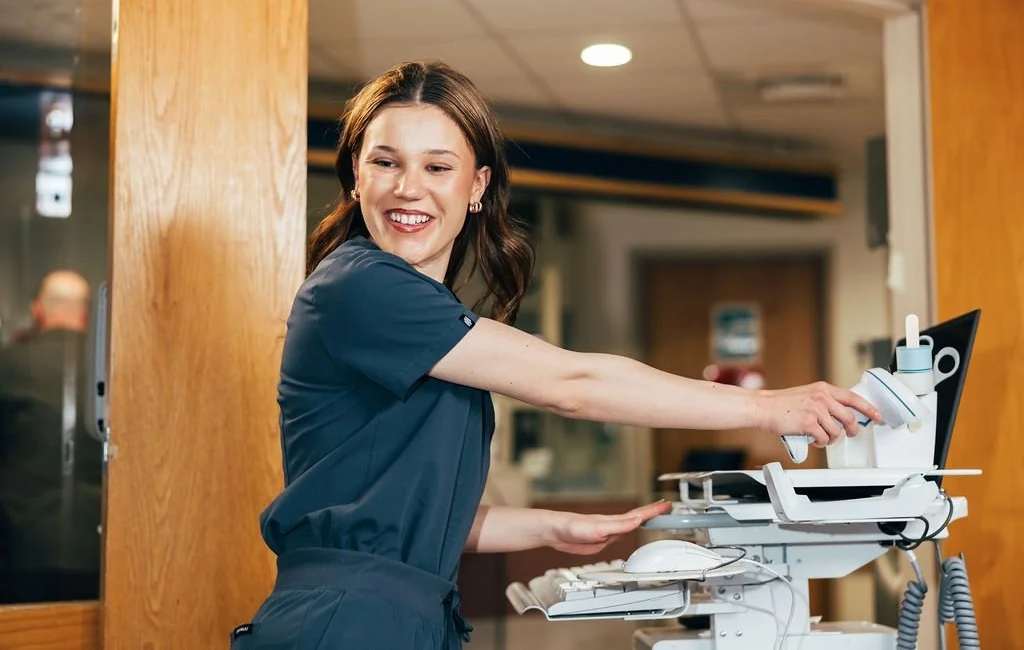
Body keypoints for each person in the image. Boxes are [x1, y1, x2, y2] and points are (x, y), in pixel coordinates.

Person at [232, 60, 880, 649]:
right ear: (354, 174)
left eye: (436, 166)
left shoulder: (407, 309)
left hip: (386, 611)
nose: (409, 188)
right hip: (352, 621)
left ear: (476, 185)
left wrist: (544, 527)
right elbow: (570, 381)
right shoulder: (362, 287)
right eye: (385, 162)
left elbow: (394, 515)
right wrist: (766, 407)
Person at [0, 270, 104, 604]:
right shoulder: (116, 367)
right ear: (86, 315)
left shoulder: (8, 364)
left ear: (38, 310)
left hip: (19, 550)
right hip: (100, 552)